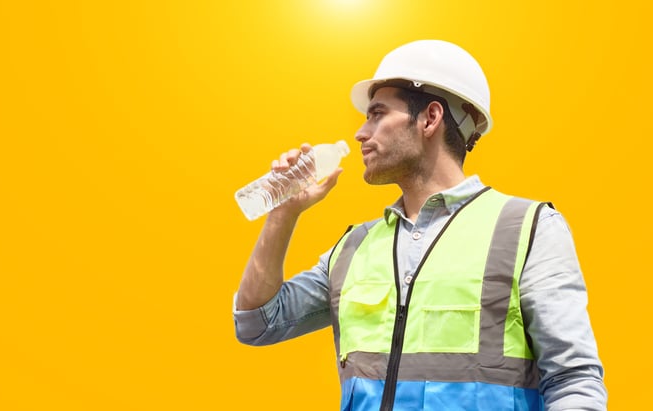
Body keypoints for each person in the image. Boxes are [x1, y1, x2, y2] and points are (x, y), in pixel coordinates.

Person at [232, 39, 607, 411]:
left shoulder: (528, 230)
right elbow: (256, 323)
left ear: (430, 118)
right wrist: (283, 213)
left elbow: (574, 381)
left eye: (377, 114)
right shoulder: (354, 247)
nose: (361, 134)